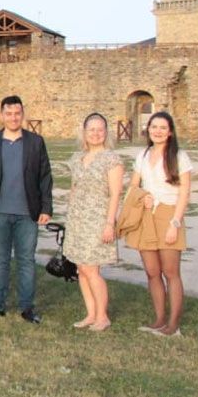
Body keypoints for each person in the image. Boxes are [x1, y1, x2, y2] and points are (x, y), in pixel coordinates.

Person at [0, 95, 53, 324]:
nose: (13, 117)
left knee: (26, 261)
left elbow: (45, 177)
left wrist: (45, 208)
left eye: (17, 113)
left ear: (22, 114)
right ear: (2, 115)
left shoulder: (35, 142)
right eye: (8, 113)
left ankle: (27, 307)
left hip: (28, 213)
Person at [127, 112, 191, 337]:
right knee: (152, 272)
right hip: (147, 216)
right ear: (148, 130)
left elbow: (184, 192)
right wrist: (142, 195)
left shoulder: (179, 156)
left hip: (168, 215)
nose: (158, 131)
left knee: (170, 272)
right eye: (154, 127)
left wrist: (175, 222)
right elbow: (133, 185)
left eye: (163, 127)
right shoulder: (143, 155)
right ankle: (159, 319)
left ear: (170, 131)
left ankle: (173, 325)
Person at [64, 113, 123, 332]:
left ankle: (102, 316)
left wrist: (109, 223)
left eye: (100, 130)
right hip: (78, 219)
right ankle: (91, 313)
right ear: (85, 133)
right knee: (81, 268)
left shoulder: (111, 160)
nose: (96, 134)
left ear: (106, 133)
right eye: (92, 130)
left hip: (97, 219)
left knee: (91, 269)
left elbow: (115, 194)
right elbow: (74, 188)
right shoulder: (77, 158)